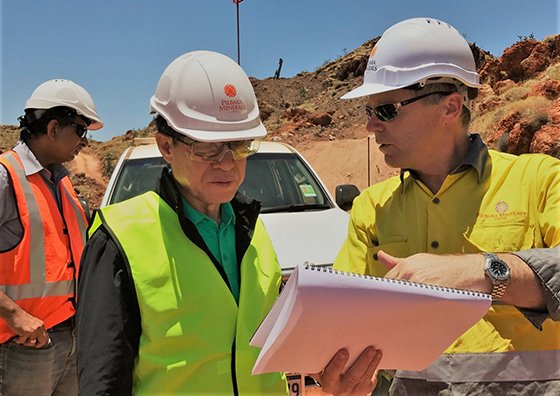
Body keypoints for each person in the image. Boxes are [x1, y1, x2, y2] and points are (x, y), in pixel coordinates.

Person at [76, 50, 382, 395]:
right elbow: (103, 378)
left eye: (238, 145)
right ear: (166, 146)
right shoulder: (119, 238)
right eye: (208, 147)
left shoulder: (254, 231)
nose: (226, 163)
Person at [334, 17, 560, 395]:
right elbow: (342, 323)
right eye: (368, 112)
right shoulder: (370, 209)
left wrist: (482, 274)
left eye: (386, 110)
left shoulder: (540, 179)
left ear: (451, 107)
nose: (372, 126)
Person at [0, 79, 103, 395]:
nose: (84, 142)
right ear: (54, 128)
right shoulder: (6, 178)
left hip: (70, 339)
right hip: (22, 349)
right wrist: (15, 316)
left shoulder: (63, 183)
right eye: (81, 130)